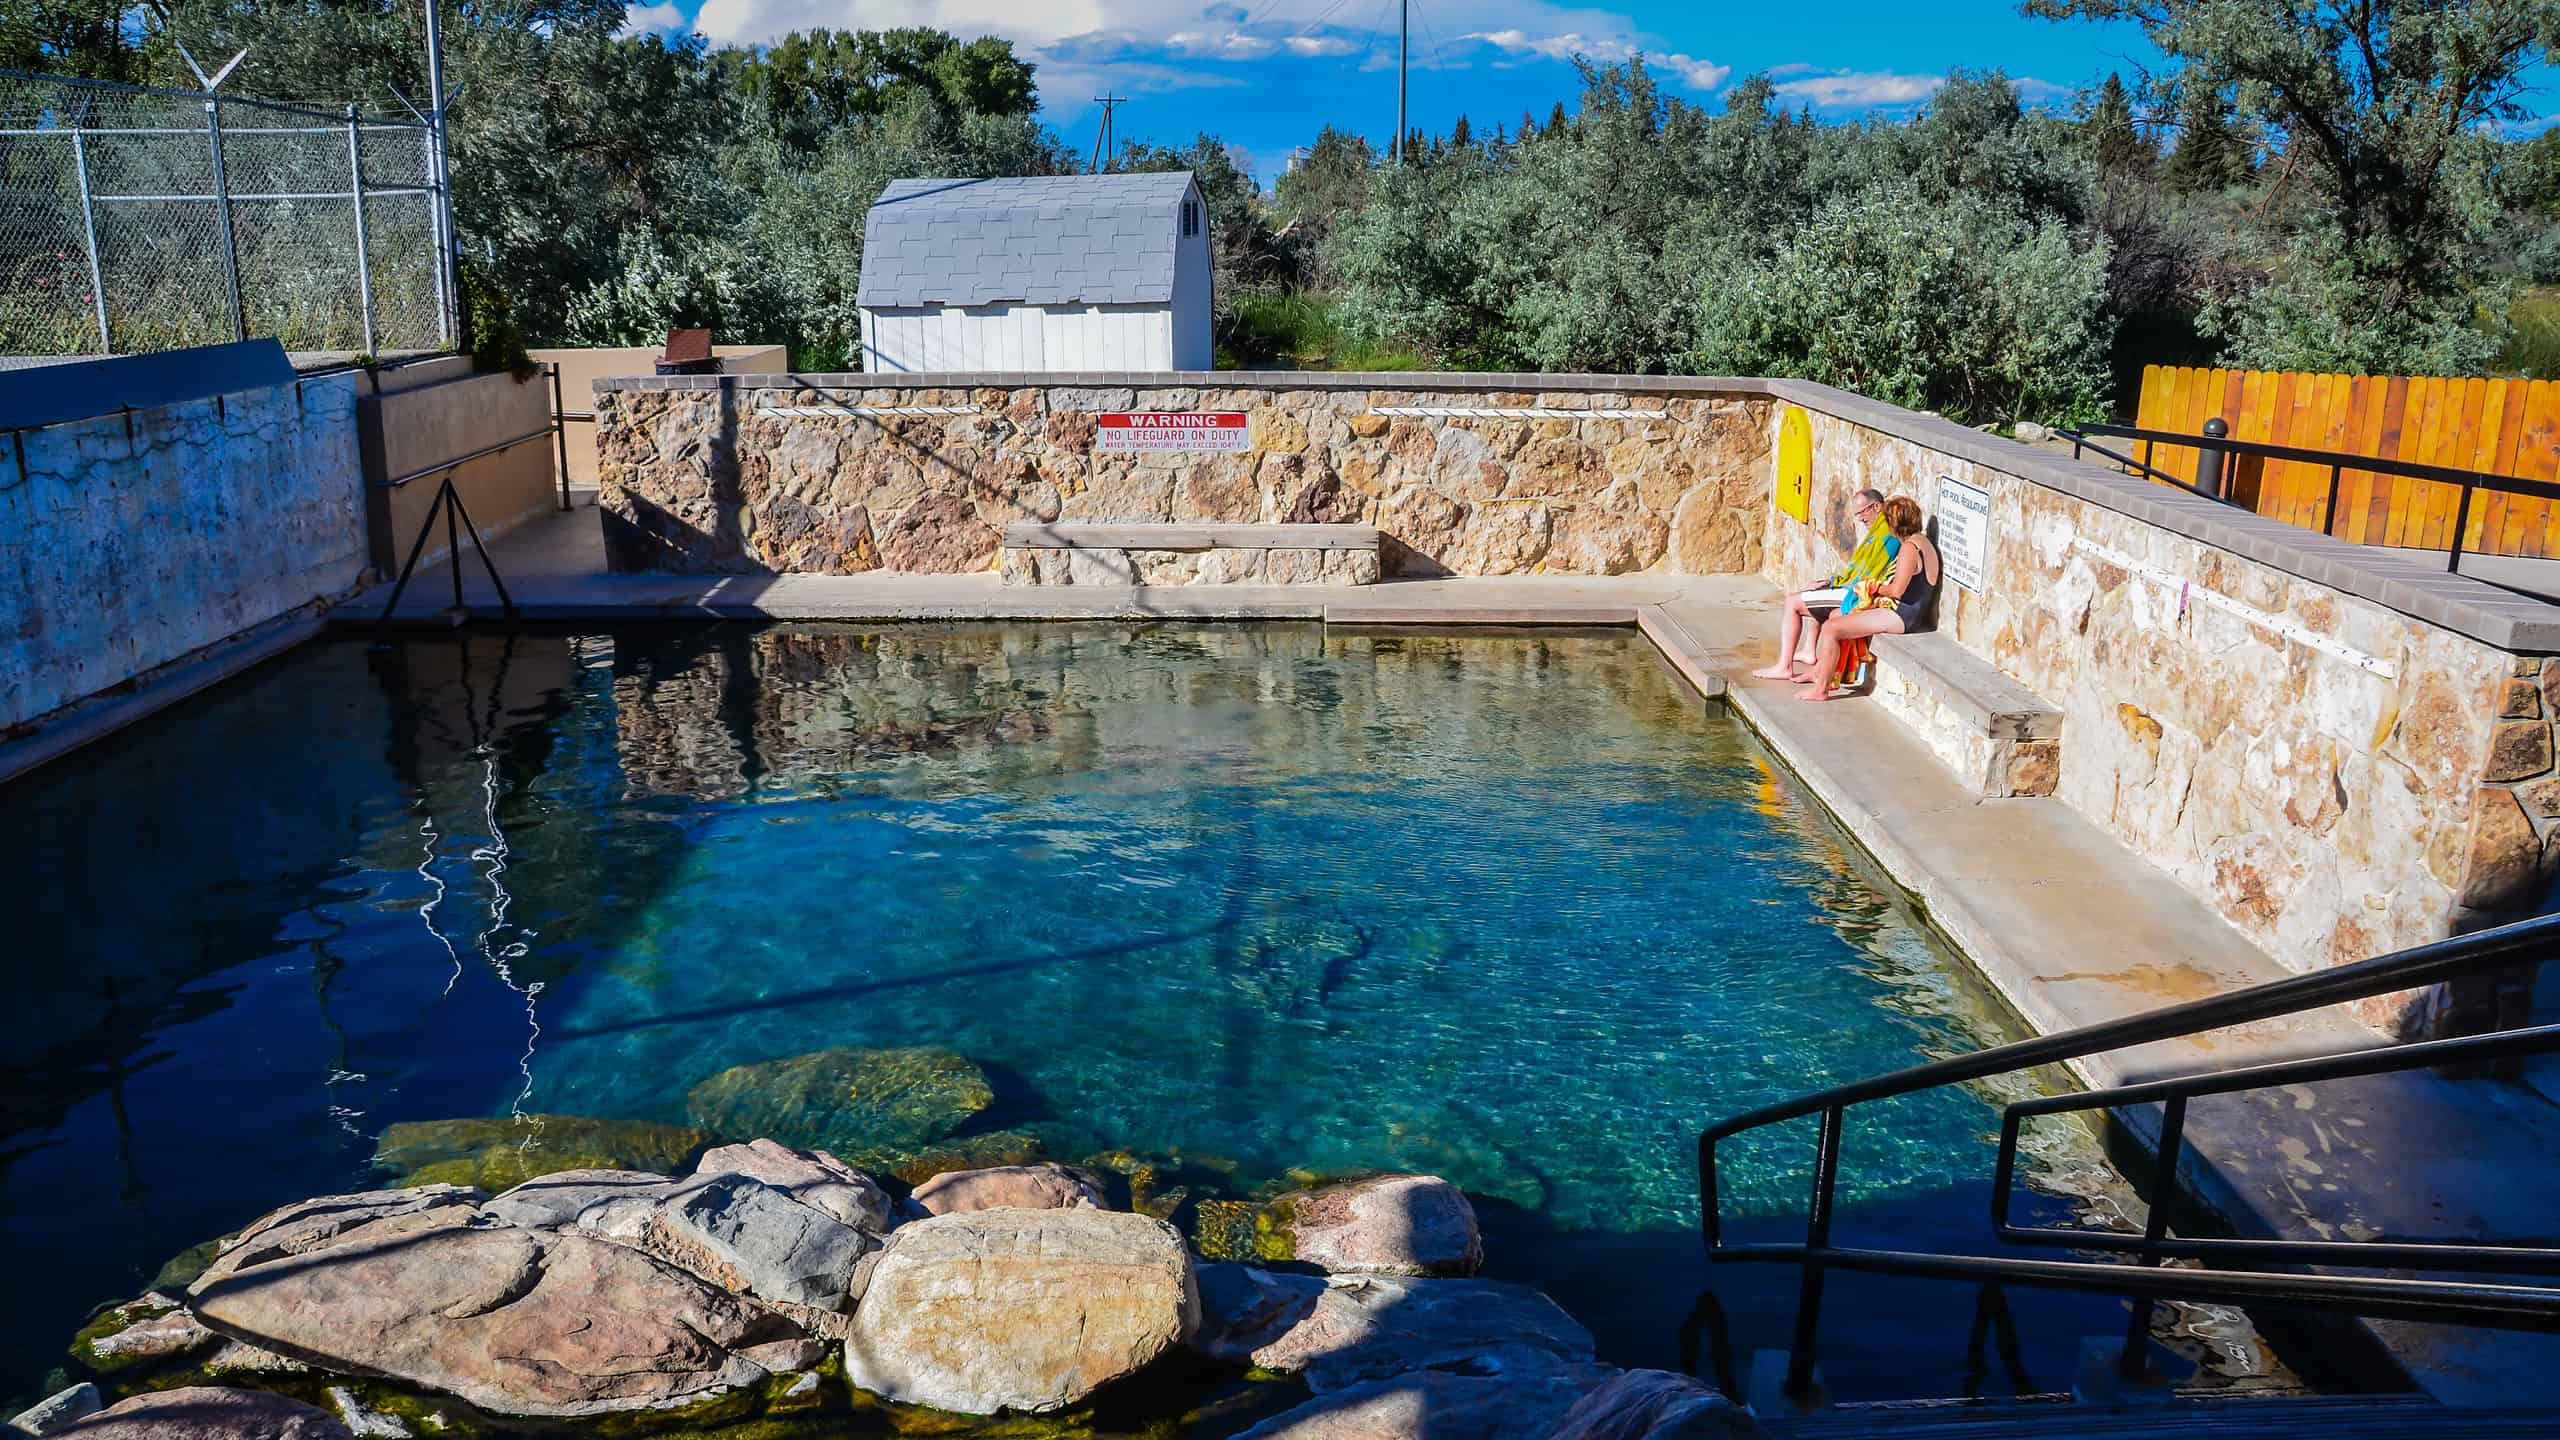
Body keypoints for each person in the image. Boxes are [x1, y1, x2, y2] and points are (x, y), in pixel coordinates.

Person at [1797, 495, 1940, 701]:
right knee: (1837, 614)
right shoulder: (1921, 541)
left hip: (1902, 615)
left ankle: (1821, 689)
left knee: (1831, 629)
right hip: (1909, 611)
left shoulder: (1909, 548)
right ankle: (1821, 672)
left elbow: (1897, 591)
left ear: (1893, 523)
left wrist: (1872, 588)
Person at [1749, 488, 1896, 681]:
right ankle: (1809, 650)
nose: (1860, 518)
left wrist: (1836, 584)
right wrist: (1831, 582)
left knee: (1793, 602)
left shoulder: (1886, 535)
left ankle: (1784, 667)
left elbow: (1867, 574)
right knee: (1815, 590)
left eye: (1863, 512)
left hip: (1856, 593)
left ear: (1877, 506)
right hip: (1854, 588)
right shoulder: (1879, 530)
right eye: (1857, 514)